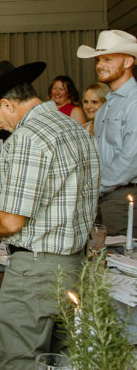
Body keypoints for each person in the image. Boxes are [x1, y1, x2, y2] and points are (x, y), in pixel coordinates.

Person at [0, 60, 100, 370]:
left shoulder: (27, 136)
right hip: (76, 268)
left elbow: (9, 221)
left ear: (7, 104)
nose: (1, 127)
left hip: (35, 272)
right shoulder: (76, 129)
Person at [78, 29, 137, 234]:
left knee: (121, 259)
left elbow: (130, 160)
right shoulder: (105, 107)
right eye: (98, 59)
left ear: (128, 62)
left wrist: (93, 188)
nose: (99, 65)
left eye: (108, 59)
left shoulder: (134, 102)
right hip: (102, 197)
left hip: (124, 198)